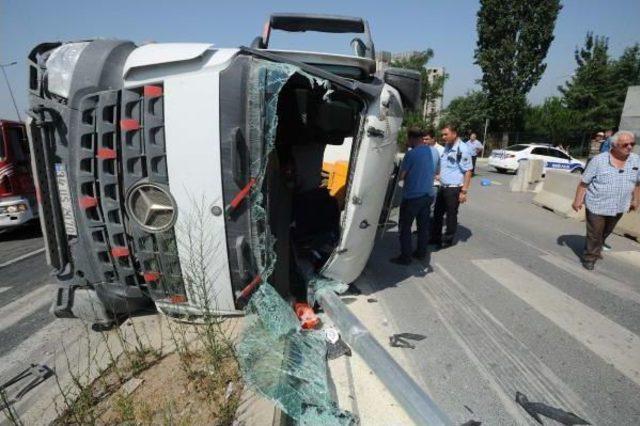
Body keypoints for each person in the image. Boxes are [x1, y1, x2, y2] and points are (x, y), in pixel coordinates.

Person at [572, 131, 640, 270]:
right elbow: (584, 182)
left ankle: (595, 248)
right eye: (625, 144)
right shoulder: (599, 160)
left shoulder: (636, 160)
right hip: (597, 204)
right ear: (614, 145)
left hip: (620, 205)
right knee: (595, 232)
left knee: (606, 231)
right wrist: (577, 200)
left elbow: (637, 182)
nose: (629, 147)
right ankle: (590, 257)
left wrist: (636, 200)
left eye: (632, 144)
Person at [390, 127, 440, 265]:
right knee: (423, 227)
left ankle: (405, 257)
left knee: (405, 227)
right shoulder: (433, 151)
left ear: (411, 138)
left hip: (412, 197)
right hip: (428, 195)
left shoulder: (411, 154)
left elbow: (401, 176)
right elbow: (436, 171)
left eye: (408, 138)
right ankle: (421, 253)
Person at [430, 124, 473, 249]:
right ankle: (435, 237)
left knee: (451, 215)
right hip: (443, 186)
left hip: (454, 189)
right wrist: (440, 175)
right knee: (437, 214)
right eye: (442, 134)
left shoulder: (462, 149)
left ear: (454, 134)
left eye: (445, 134)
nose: (443, 137)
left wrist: (463, 191)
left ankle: (447, 240)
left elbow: (468, 171)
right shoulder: (448, 146)